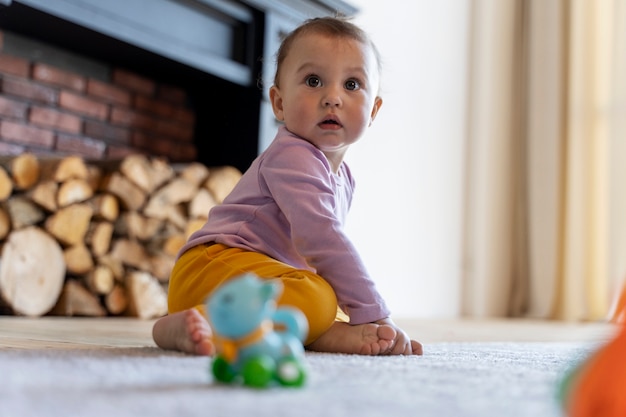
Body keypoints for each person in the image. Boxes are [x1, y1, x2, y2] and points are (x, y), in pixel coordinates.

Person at [152, 16, 423, 357]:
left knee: (328, 297)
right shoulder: (293, 156)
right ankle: (196, 322)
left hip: (258, 281)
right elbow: (322, 239)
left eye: (352, 85)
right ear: (279, 103)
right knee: (320, 297)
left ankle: (322, 335)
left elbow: (318, 261)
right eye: (314, 81)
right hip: (211, 269)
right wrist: (376, 312)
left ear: (374, 111)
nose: (332, 97)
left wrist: (355, 315)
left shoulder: (344, 178)